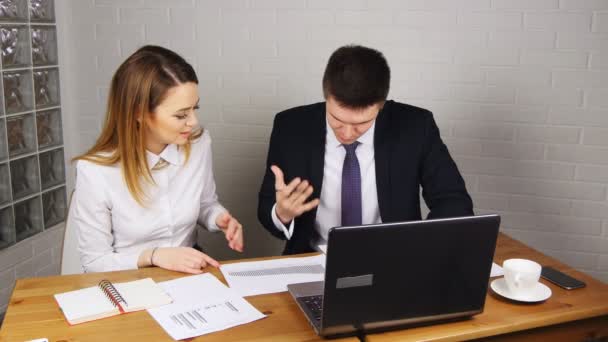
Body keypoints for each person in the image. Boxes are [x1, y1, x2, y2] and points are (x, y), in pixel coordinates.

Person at [258, 45, 473, 255]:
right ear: (327, 96)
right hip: (313, 260)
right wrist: (281, 214)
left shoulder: (416, 126)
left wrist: (420, 250)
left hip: (393, 260)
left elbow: (453, 201)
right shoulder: (290, 127)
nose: (348, 133)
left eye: (362, 123)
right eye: (337, 120)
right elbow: (266, 209)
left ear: (381, 106)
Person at [70, 45, 243, 274]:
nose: (193, 122)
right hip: (128, 279)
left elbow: (205, 203)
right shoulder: (95, 170)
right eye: (181, 114)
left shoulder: (199, 144)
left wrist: (219, 218)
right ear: (139, 112)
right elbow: (94, 262)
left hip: (188, 274)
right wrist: (154, 256)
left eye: (195, 108)